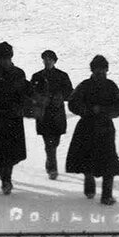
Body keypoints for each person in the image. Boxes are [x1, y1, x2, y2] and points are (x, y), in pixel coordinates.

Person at [66, 55, 119, 206]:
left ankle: (106, 195)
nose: (100, 72)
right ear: (92, 70)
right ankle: (89, 183)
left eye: (103, 69)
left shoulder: (111, 86)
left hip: (105, 128)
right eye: (97, 69)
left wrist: (105, 111)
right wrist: (87, 110)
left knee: (108, 163)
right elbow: (72, 103)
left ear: (107, 70)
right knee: (88, 159)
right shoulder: (85, 86)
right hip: (87, 127)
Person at [0, 42, 29, 194]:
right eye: (2, 58)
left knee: (10, 154)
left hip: (13, 118)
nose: (5, 61)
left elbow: (24, 93)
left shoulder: (18, 74)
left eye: (7, 58)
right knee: (2, 153)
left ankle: (6, 176)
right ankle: (5, 179)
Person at [29, 50, 73, 180]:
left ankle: (50, 159)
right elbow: (31, 93)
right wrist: (41, 98)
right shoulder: (37, 76)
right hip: (44, 114)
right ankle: (52, 166)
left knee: (56, 140)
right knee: (49, 142)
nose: (47, 61)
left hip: (58, 113)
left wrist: (60, 96)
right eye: (45, 59)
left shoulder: (62, 76)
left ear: (54, 61)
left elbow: (69, 93)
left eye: (50, 59)